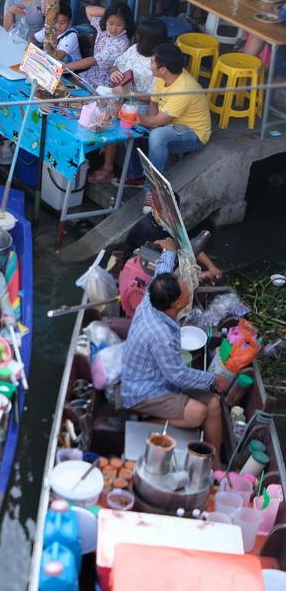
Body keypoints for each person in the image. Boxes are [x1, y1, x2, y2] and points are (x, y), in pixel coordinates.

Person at [120, 240, 229, 466]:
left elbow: (162, 272)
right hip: (143, 391)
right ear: (178, 303)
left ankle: (216, 461)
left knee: (214, 405)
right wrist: (213, 379)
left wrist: (169, 251)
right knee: (199, 413)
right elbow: (177, 375)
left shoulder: (152, 297)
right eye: (186, 287)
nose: (190, 285)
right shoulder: (161, 335)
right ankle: (146, 419)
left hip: (161, 376)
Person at [126, 43, 212, 212]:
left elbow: (157, 121)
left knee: (157, 136)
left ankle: (153, 190)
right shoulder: (162, 77)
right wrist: (145, 123)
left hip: (193, 133)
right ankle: (136, 175)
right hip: (169, 124)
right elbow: (153, 102)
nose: (150, 65)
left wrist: (128, 117)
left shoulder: (184, 88)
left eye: (152, 62)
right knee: (136, 130)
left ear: (163, 68)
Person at [87, 18, 169, 183]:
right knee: (95, 106)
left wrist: (128, 93)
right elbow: (115, 65)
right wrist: (114, 72)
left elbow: (154, 98)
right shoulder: (134, 49)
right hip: (123, 96)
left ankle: (113, 168)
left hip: (144, 106)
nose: (137, 37)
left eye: (140, 35)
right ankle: (94, 154)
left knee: (114, 118)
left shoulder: (158, 64)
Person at [123, 193, 223, 282]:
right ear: (154, 208)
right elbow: (162, 268)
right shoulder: (148, 230)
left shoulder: (169, 222)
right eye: (164, 212)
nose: (168, 216)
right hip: (137, 267)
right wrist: (200, 276)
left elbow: (186, 244)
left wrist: (211, 266)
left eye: (172, 213)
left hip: (156, 257)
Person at [66, 3, 133, 88]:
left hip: (104, 83)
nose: (113, 28)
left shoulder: (122, 42)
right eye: (111, 23)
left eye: (119, 25)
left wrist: (66, 67)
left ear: (126, 25)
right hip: (90, 74)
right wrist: (110, 12)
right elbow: (88, 10)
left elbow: (93, 61)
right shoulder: (103, 29)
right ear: (106, 21)